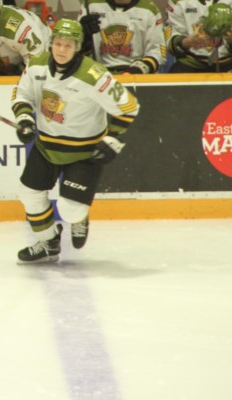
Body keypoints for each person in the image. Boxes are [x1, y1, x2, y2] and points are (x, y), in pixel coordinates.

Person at [10, 18, 140, 264]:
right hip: (47, 147)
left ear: (78, 47)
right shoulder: (36, 65)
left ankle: (80, 217)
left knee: (69, 210)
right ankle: (48, 243)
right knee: (29, 193)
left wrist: (112, 138)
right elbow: (22, 93)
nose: (61, 50)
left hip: (85, 152)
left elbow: (128, 106)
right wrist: (25, 118)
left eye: (67, 45)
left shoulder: (94, 75)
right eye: (58, 44)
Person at [78, 0, 166, 74]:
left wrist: (137, 70)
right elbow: (75, 50)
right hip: (99, 73)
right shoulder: (92, 5)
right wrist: (83, 38)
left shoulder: (149, 11)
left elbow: (157, 52)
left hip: (134, 73)